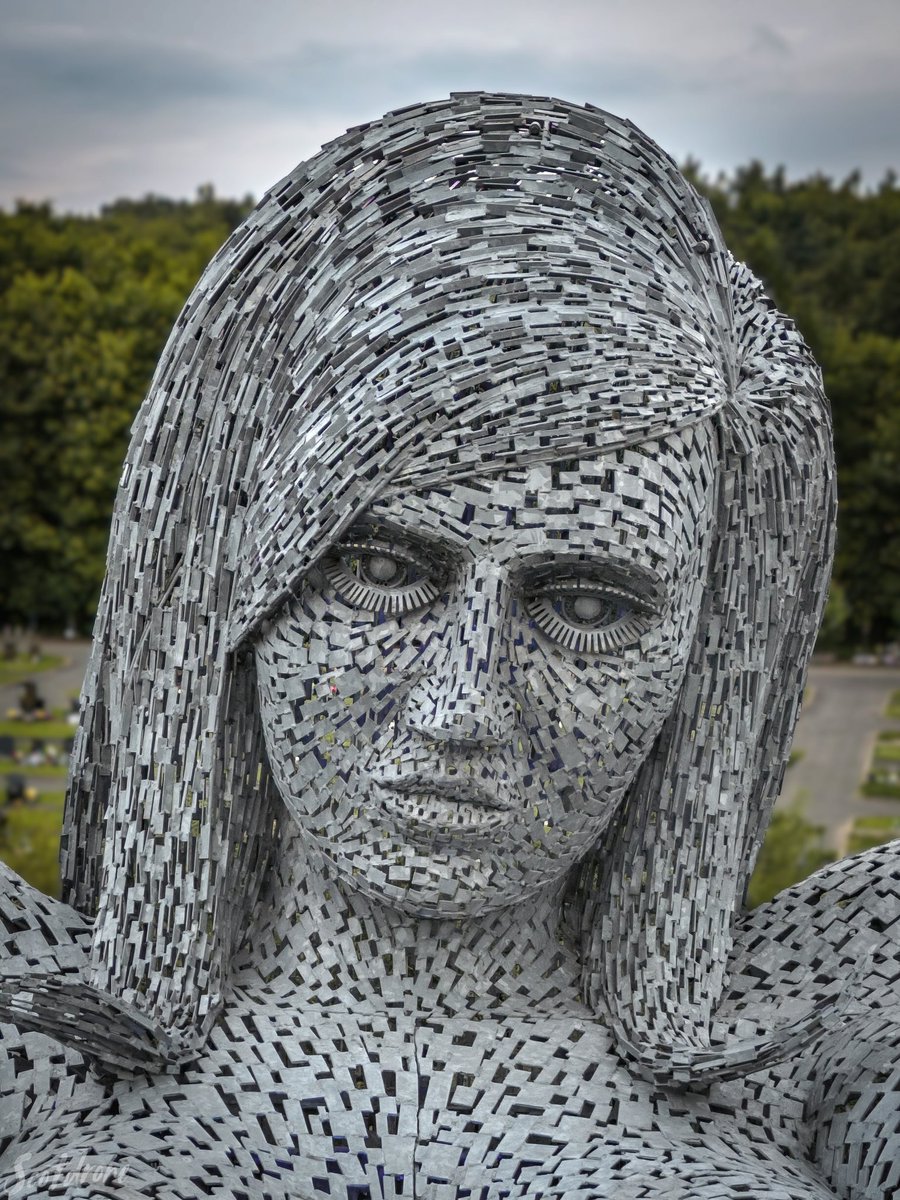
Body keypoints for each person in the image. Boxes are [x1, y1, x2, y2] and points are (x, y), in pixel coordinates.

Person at [0, 93, 895, 1199]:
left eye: (586, 607)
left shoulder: (841, 1021)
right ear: (238, 581)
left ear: (709, 654)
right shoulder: (34, 1048)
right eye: (381, 573)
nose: (459, 706)